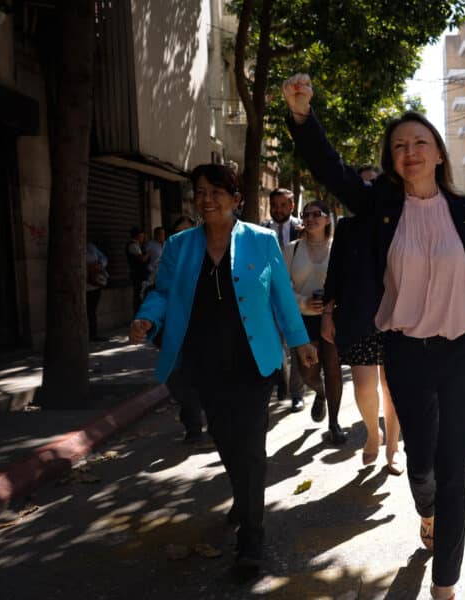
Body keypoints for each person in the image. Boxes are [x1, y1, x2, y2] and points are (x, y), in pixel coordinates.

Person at [284, 73, 465, 600]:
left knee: (456, 465)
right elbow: (333, 171)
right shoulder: (381, 208)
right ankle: (426, 509)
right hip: (407, 351)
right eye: (398, 147)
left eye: (420, 143)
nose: (409, 153)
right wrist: (302, 115)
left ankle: (445, 583)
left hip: (464, 352)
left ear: (438, 153)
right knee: (423, 461)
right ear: (392, 160)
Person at [129, 163, 318, 571]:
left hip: (254, 360)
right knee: (224, 437)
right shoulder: (180, 245)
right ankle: (243, 495)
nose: (207, 198)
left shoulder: (261, 240)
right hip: (203, 361)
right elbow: (162, 293)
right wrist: (147, 318)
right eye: (200, 191)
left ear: (236, 199)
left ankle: (251, 534)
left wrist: (301, 341)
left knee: (250, 446)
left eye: (216, 191)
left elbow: (281, 296)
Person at [321, 164, 404, 474]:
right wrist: (328, 314)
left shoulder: (400, 221)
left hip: (397, 315)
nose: (369, 193)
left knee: (393, 385)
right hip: (357, 314)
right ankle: (373, 434)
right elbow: (334, 274)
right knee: (365, 387)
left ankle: (393, 449)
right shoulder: (346, 227)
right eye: (362, 186)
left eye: (375, 186)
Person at [285, 200, 348, 444]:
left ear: (328, 219)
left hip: (333, 317)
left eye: (316, 214)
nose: (310, 218)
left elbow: (346, 281)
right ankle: (320, 393)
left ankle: (334, 424)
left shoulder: (338, 248)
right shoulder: (291, 249)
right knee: (308, 372)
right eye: (306, 214)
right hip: (302, 319)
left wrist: (333, 304)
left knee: (333, 370)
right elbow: (281, 286)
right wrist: (302, 302)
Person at [262, 188, 305, 409]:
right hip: (270, 298)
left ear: (291, 206)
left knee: (297, 345)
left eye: (283, 205)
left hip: (296, 297)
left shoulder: (303, 229)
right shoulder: (261, 231)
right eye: (274, 205)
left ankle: (297, 393)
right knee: (276, 346)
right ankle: (282, 384)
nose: (278, 209)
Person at [166, 214, 205, 444]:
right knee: (176, 380)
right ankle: (191, 419)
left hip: (206, 331)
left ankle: (196, 427)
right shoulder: (166, 262)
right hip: (176, 332)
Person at [86, 241, 109, 342]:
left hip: (95, 284)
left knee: (92, 310)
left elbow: (104, 258)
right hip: (84, 284)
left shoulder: (91, 246)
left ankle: (93, 334)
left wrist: (99, 265)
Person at [126, 226, 149, 315]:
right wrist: (148, 254)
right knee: (138, 295)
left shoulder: (138, 245)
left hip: (140, 274)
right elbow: (142, 259)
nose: (143, 238)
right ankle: (138, 314)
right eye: (141, 236)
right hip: (137, 274)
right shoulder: (133, 245)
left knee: (140, 295)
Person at [143, 226, 166, 295]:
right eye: (160, 234)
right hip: (153, 272)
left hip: (164, 272)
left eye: (163, 234)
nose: (162, 236)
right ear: (156, 235)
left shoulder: (167, 243)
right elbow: (145, 258)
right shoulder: (150, 244)